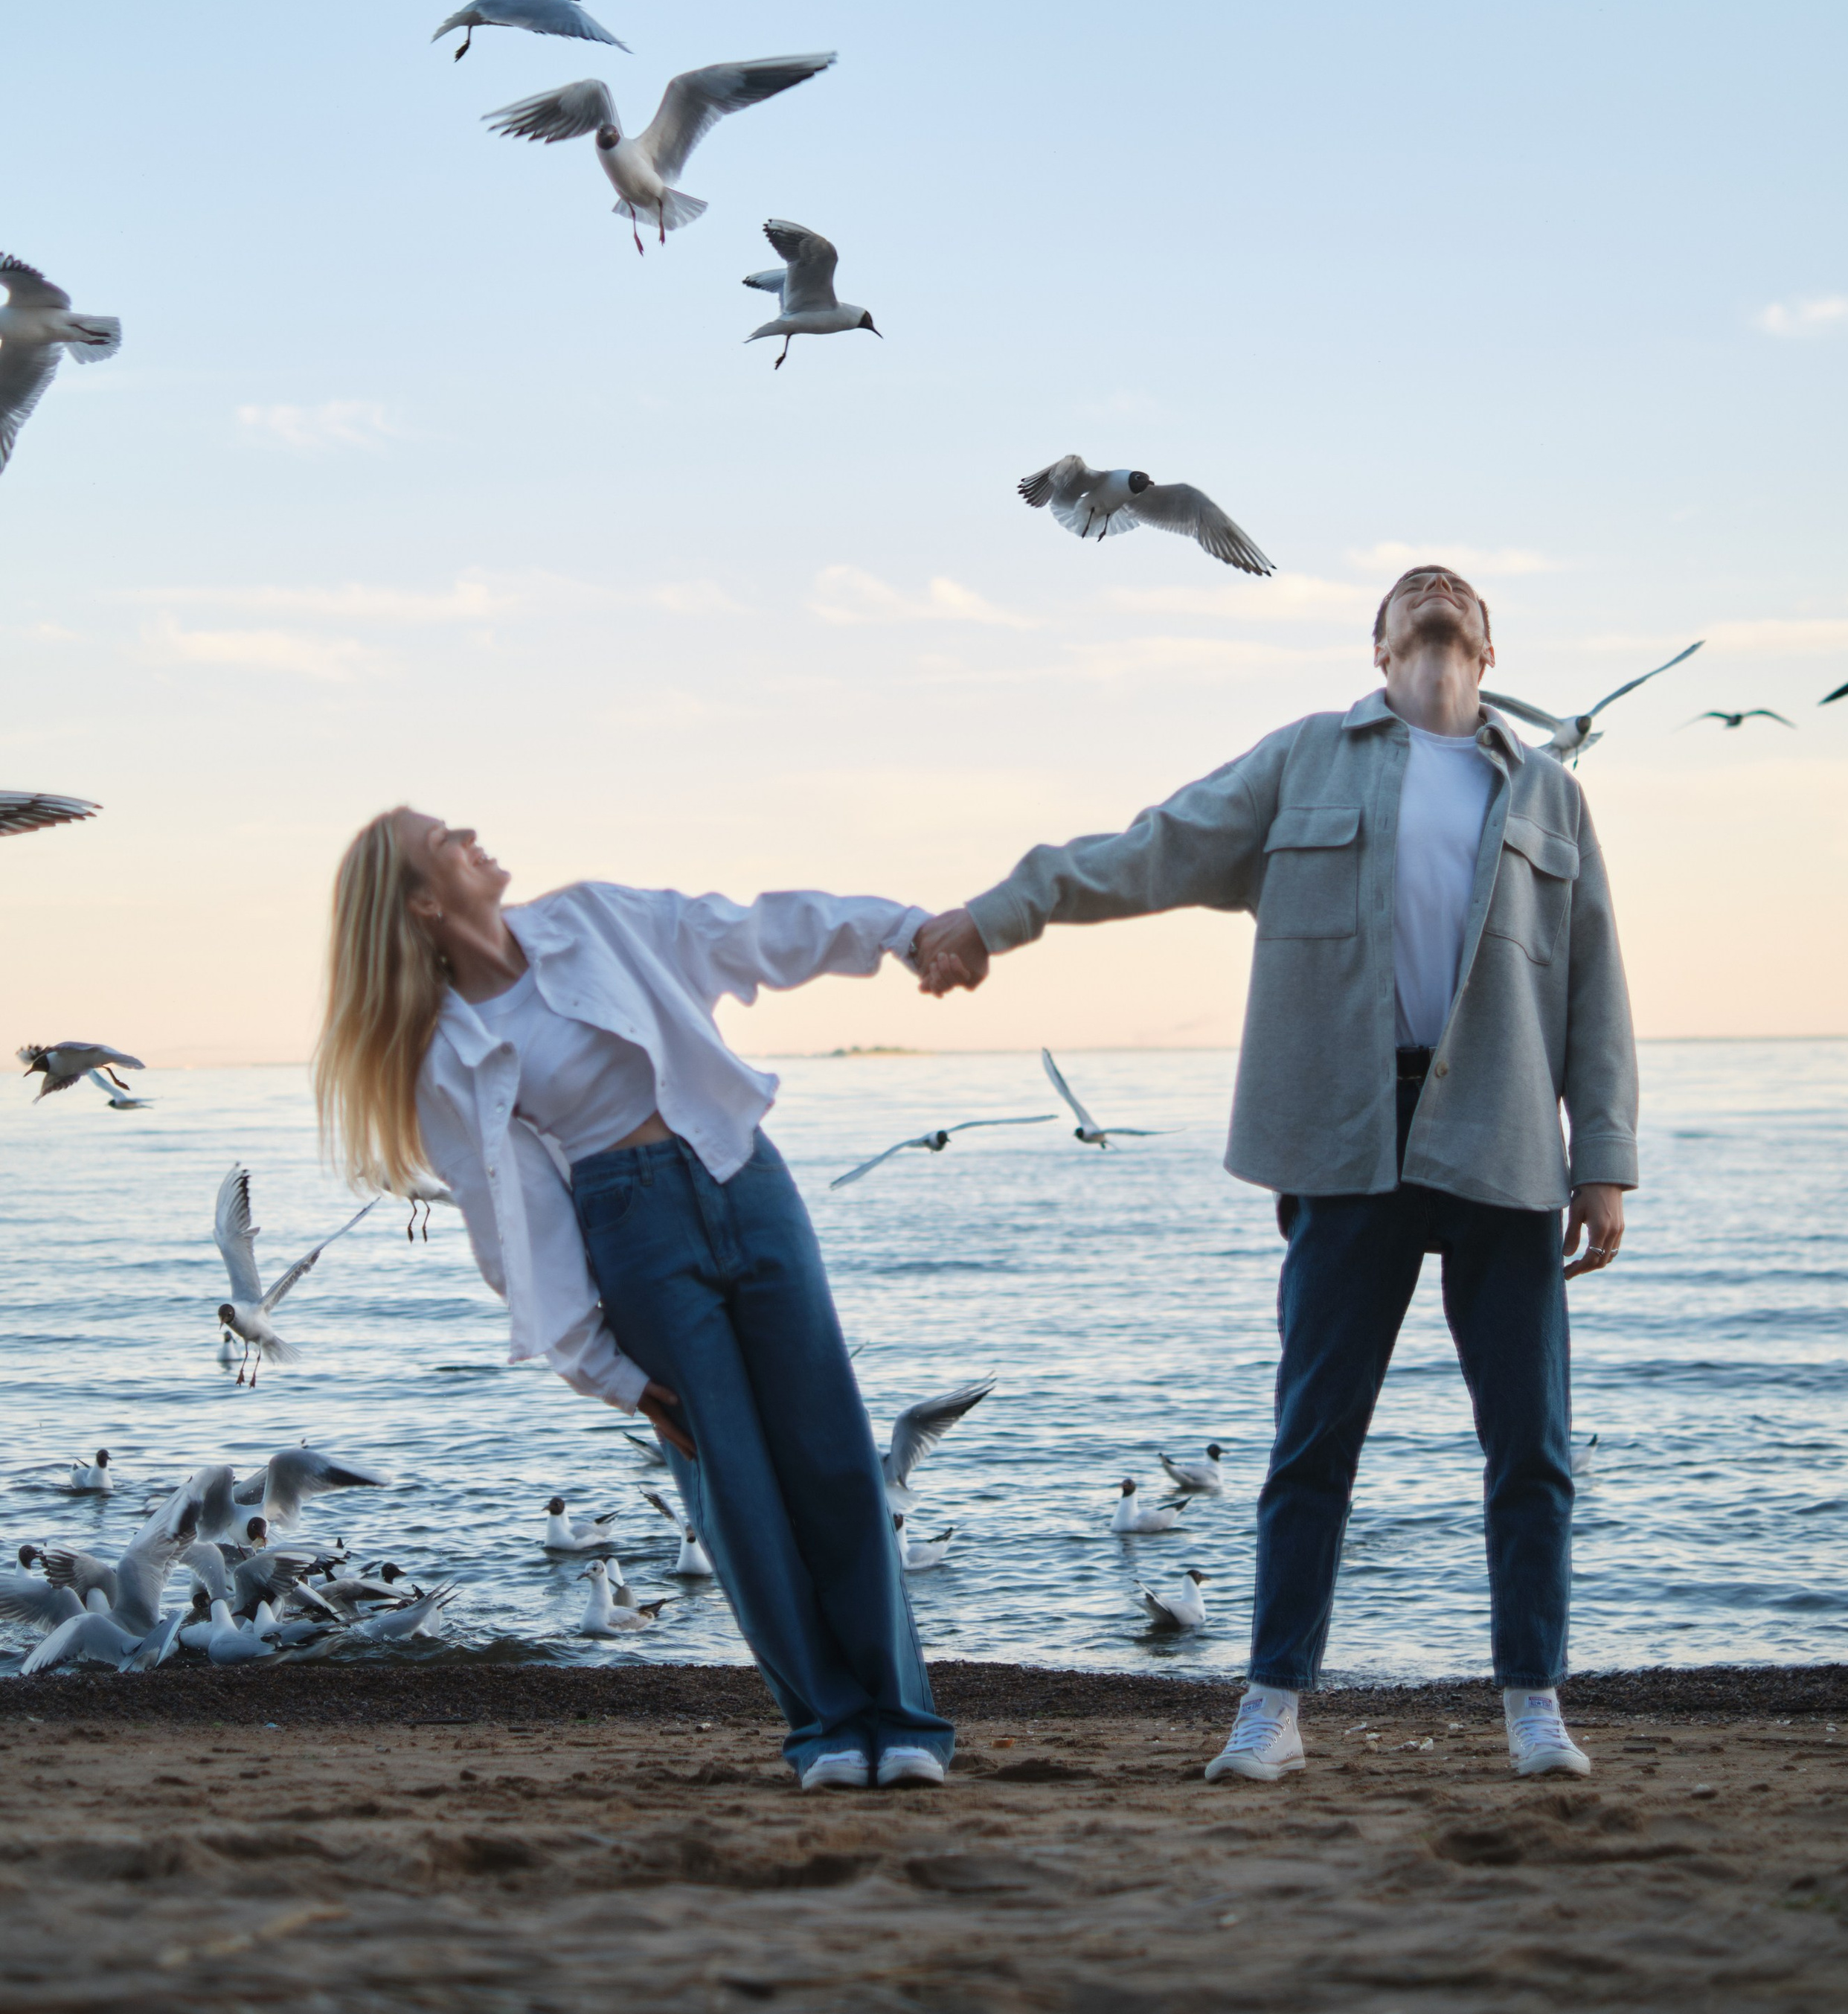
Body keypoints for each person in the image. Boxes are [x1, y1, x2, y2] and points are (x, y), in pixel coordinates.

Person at [913, 566, 1637, 1785]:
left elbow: (1595, 984)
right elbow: (1147, 852)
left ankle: (1532, 1702)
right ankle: (1272, 1704)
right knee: (1314, 1441)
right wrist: (999, 912)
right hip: (1344, 1136)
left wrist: (1603, 1162)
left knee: (1532, 1447)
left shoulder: (1551, 794)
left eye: (1455, 592)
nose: (1435, 596)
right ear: (1379, 644)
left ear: (1490, 645)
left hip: (1505, 1137)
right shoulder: (1305, 761)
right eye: (1412, 593)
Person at [314, 808, 952, 1792]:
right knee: (731, 1484)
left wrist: (900, 929)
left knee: (830, 1454)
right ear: (424, 903)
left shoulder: (596, 919)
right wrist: (604, 1370)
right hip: (631, 1227)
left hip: (745, 1177)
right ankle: (828, 1728)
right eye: (446, 838)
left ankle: (902, 1722)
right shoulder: (447, 1049)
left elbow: (753, 931)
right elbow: (508, 1228)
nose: (474, 830)